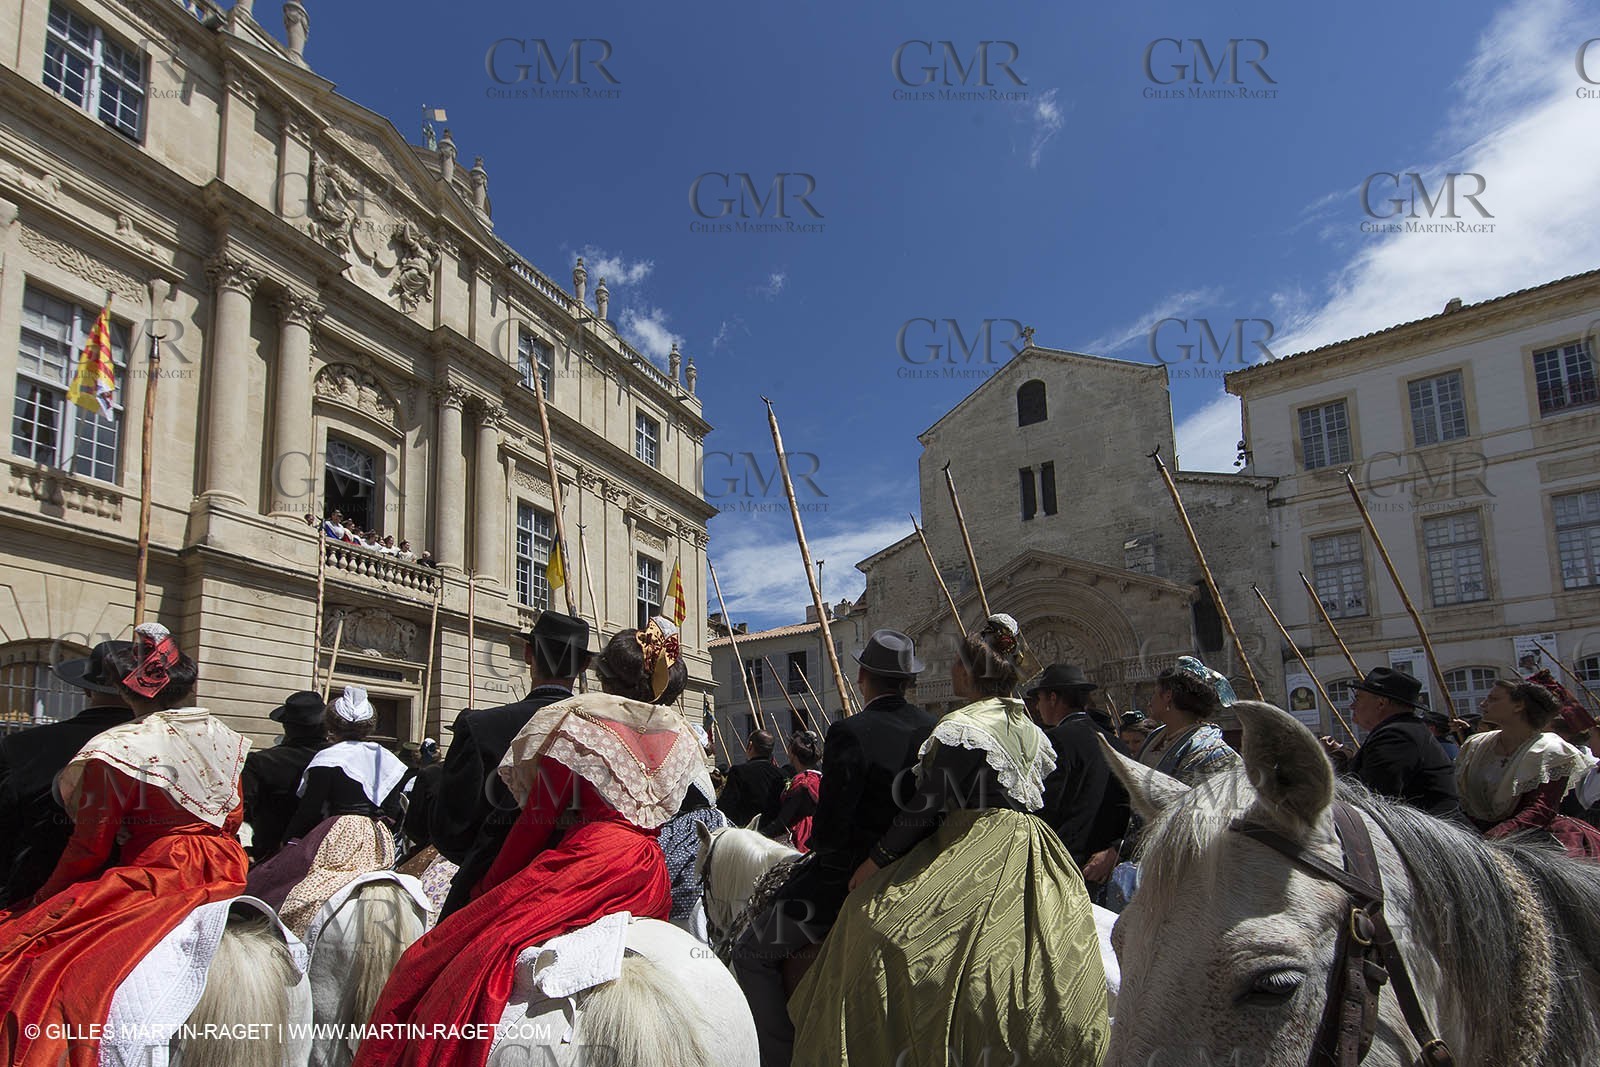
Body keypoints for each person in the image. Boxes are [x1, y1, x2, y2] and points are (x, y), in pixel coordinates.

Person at [354, 618, 706, 1067]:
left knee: (432, 963)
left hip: (590, 864)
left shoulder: (582, 727)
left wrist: (489, 890)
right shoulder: (679, 736)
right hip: (647, 871)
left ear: (601, 676)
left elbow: (534, 824)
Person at [789, 615, 1108, 1066]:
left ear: (969, 670)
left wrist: (875, 862)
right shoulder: (1030, 729)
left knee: (870, 922)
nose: (951, 672)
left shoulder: (964, 726)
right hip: (1034, 845)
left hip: (976, 841)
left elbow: (924, 806)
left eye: (956, 663)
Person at [0, 624, 251, 1067]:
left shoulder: (116, 746)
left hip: (159, 869)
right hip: (226, 863)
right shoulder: (220, 733)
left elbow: (90, 848)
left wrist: (43, 901)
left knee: (26, 954)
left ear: (122, 690)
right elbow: (233, 816)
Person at [731, 628, 936, 1067]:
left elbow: (829, 831)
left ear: (863, 676)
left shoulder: (850, 731)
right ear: (908, 681)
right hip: (920, 872)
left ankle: (781, 1057)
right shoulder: (932, 728)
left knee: (750, 951)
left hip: (844, 878)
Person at [431, 610, 591, 919]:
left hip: (496, 891)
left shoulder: (480, 727)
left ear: (528, 653)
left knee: (427, 964)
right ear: (584, 666)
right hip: (581, 887)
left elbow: (450, 833)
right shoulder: (603, 733)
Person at [246, 686, 409, 936]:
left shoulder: (329, 757)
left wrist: (288, 841)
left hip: (338, 830)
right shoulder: (384, 756)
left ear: (332, 723)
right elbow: (394, 805)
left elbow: (309, 809)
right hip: (376, 834)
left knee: (301, 885)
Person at [0, 640, 134, 907]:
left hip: (35, 902)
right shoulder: (174, 748)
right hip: (139, 904)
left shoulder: (20, 747)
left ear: (86, 688)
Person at [1454, 679, 1600, 859]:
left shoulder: (1551, 750)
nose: (1483, 703)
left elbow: (1540, 810)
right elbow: (1461, 800)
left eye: (1494, 699)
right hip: (1473, 837)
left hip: (1530, 838)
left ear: (1519, 706)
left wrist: (1491, 838)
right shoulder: (1476, 745)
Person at [1029, 663, 1131, 894]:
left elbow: (1045, 807)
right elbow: (1128, 808)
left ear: (1053, 698)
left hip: (1062, 868)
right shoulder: (1116, 744)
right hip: (1102, 868)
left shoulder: (1054, 741)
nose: (1037, 706)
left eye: (1040, 698)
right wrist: (1115, 849)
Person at [1320, 667, 1460, 819]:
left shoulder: (1397, 736)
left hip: (1431, 835)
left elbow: (1370, 796)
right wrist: (1343, 755)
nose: (1351, 706)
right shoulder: (1402, 729)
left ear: (1381, 703)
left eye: (1358, 698)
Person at [240, 690, 329, 862]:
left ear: (286, 727)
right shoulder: (340, 758)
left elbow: (240, 809)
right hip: (328, 854)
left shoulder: (260, 762)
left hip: (272, 856)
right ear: (325, 726)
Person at [1135, 657, 1243, 782]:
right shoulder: (1155, 737)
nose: (1150, 702)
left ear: (1167, 696)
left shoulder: (1211, 753)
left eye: (1154, 693)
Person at [760, 730, 823, 852]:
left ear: (792, 754)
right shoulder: (819, 778)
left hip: (802, 836)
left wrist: (757, 836)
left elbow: (783, 821)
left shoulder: (802, 783)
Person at [719, 728, 786, 828]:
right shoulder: (782, 774)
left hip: (748, 832)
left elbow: (727, 806)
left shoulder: (739, 772)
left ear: (750, 746)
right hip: (775, 831)